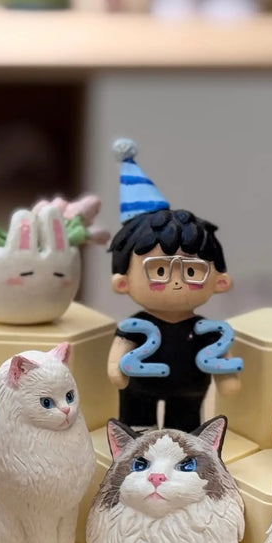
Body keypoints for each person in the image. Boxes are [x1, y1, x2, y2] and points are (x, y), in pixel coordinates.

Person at [106, 139, 240, 430]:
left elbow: (222, 360)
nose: (176, 281)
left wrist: (227, 378)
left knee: (185, 434)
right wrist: (116, 369)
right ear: (122, 282)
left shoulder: (206, 331)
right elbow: (118, 358)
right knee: (136, 431)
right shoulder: (135, 326)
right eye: (159, 270)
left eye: (191, 271)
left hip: (189, 392)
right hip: (138, 390)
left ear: (220, 282)